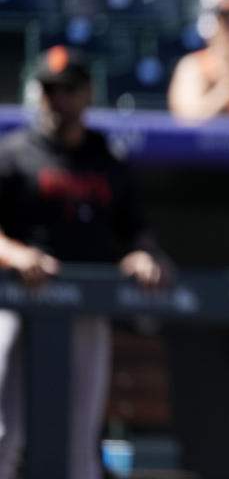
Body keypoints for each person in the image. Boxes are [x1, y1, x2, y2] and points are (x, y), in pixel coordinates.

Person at [0, 46, 173, 479]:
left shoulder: (107, 159)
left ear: (87, 93)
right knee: (3, 434)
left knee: (80, 443)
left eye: (68, 89)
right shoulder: (14, 152)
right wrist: (15, 253)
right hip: (18, 304)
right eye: (49, 89)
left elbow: (136, 231)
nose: (58, 99)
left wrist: (140, 254)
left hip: (84, 309)